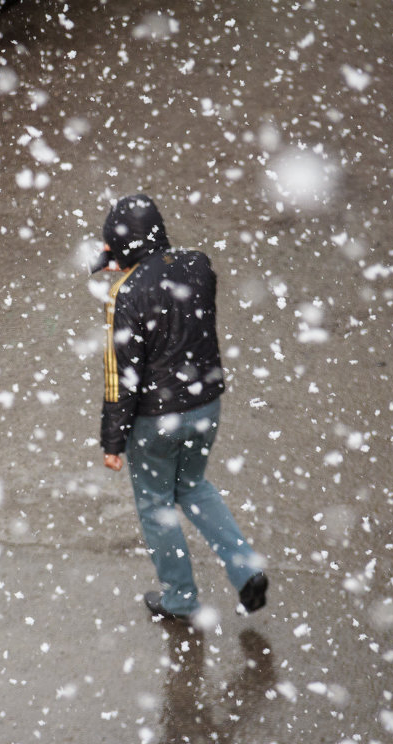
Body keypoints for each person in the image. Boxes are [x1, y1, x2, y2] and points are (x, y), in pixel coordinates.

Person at [93, 194, 267, 622]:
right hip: (206, 407)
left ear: (122, 246)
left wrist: (112, 441)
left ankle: (180, 600)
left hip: (157, 421)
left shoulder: (126, 294)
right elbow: (172, 296)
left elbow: (121, 376)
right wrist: (134, 264)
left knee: (156, 506)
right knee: (193, 486)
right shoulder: (200, 265)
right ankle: (246, 569)